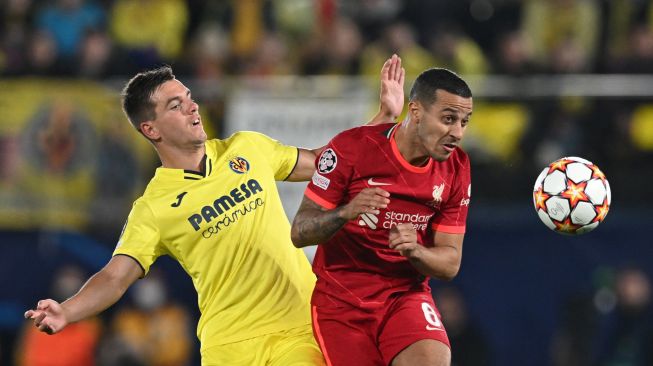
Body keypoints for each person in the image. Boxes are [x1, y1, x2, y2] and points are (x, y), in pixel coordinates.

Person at [24, 55, 406, 365]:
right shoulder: (153, 207)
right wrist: (68, 311)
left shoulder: (247, 148)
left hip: (299, 326)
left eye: (189, 97)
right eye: (176, 105)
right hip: (228, 346)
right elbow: (115, 277)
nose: (193, 106)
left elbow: (330, 163)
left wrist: (383, 119)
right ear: (151, 129)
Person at [291, 68, 473, 366]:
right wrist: (346, 212)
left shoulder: (457, 167)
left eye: (464, 122)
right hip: (342, 303)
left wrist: (416, 251)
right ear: (415, 112)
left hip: (406, 295)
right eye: (448, 119)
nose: (458, 132)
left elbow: (450, 263)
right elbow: (299, 232)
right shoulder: (351, 149)